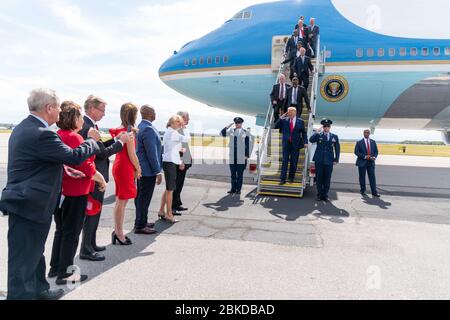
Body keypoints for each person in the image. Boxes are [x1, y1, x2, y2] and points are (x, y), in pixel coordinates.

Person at [0, 88, 102, 300]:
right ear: (49, 108)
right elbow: (73, 156)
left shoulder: (24, 127)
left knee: (35, 253)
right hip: (30, 204)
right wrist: (91, 142)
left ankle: (40, 291)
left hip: (29, 203)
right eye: (57, 107)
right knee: (23, 261)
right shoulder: (42, 134)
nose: (59, 111)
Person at [48, 101, 108, 285]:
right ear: (74, 119)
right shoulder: (74, 138)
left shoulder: (59, 135)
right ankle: (65, 273)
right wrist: (101, 180)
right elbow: (86, 165)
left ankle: (55, 267)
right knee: (71, 234)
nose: (82, 120)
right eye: (80, 116)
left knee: (61, 230)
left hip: (62, 192)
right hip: (76, 192)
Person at [79, 95, 127, 261]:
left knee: (95, 211)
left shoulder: (90, 125)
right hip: (94, 177)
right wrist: (120, 144)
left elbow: (100, 147)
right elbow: (103, 153)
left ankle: (90, 243)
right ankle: (86, 249)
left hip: (95, 176)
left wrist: (115, 140)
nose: (104, 114)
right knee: (92, 212)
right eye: (102, 110)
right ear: (92, 109)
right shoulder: (86, 126)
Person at [110, 103, 142, 245]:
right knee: (122, 201)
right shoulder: (128, 131)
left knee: (120, 200)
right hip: (125, 167)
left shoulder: (120, 130)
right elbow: (132, 154)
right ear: (133, 115)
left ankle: (117, 230)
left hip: (119, 165)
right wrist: (138, 168)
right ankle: (119, 232)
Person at [134, 105, 162, 234]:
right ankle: (140, 225)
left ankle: (141, 221)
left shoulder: (141, 126)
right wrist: (158, 171)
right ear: (150, 114)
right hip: (147, 170)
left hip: (142, 169)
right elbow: (152, 153)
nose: (156, 113)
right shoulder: (148, 129)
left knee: (140, 197)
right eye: (155, 111)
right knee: (144, 198)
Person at [159, 115, 189, 223]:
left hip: (170, 162)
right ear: (172, 122)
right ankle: (169, 214)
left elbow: (174, 148)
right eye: (178, 123)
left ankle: (162, 211)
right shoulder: (173, 132)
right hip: (170, 163)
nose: (180, 125)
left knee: (168, 189)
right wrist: (183, 128)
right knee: (170, 190)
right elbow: (186, 138)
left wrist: (180, 159)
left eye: (180, 123)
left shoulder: (170, 132)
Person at [275, 107, 308, 185]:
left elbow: (303, 133)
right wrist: (281, 117)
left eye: (290, 112)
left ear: (295, 113)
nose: (289, 113)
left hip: (295, 145)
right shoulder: (284, 120)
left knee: (294, 162)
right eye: (288, 112)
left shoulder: (300, 121)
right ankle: (282, 179)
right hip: (286, 144)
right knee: (284, 161)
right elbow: (276, 126)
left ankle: (291, 177)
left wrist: (305, 142)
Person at [309, 119, 340, 201]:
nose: (326, 127)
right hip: (319, 160)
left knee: (327, 178)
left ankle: (325, 195)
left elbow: (337, 149)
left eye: (328, 126)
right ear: (323, 127)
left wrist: (336, 159)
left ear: (330, 127)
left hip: (329, 161)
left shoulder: (334, 136)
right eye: (325, 126)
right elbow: (311, 140)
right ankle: (319, 195)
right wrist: (317, 132)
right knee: (319, 178)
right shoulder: (319, 135)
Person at [221, 117, 250, 195]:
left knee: (240, 174)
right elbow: (222, 134)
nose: (237, 124)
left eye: (239, 123)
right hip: (232, 156)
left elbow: (248, 144)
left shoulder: (245, 132)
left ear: (241, 123)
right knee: (233, 174)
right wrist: (227, 126)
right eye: (236, 123)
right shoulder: (231, 131)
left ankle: (238, 189)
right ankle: (233, 189)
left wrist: (247, 155)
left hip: (241, 156)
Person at [172, 111, 193, 215]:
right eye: (187, 118)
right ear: (182, 118)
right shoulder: (178, 130)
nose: (189, 120)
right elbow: (177, 147)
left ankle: (177, 203)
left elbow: (186, 146)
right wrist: (181, 161)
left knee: (180, 183)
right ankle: (172, 206)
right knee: (177, 184)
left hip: (185, 161)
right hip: (180, 162)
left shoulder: (184, 129)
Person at [355, 129, 380, 197]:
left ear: (369, 134)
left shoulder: (373, 142)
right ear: (363, 133)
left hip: (371, 162)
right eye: (365, 132)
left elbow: (376, 151)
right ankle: (363, 191)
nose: (366, 133)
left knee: (372, 177)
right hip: (362, 162)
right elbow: (356, 152)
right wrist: (365, 157)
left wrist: (374, 157)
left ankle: (374, 192)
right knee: (362, 177)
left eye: (368, 132)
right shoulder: (359, 142)